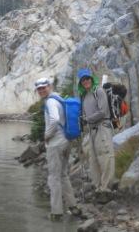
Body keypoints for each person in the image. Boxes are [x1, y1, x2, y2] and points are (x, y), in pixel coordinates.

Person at [34, 77, 81, 221]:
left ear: (50, 86)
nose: (41, 90)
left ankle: (56, 212)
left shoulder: (50, 101)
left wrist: (47, 136)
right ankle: (73, 207)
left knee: (54, 178)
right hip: (66, 141)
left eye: (44, 87)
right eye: (39, 89)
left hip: (55, 144)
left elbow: (54, 120)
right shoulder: (59, 99)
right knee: (63, 175)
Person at [77, 68, 115, 202]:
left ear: (91, 79)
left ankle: (106, 188)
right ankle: (98, 187)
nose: (86, 81)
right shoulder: (83, 96)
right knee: (94, 159)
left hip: (102, 127)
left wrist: (87, 119)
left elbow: (103, 112)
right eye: (83, 80)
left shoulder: (98, 91)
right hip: (91, 130)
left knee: (105, 156)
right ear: (80, 82)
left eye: (87, 79)